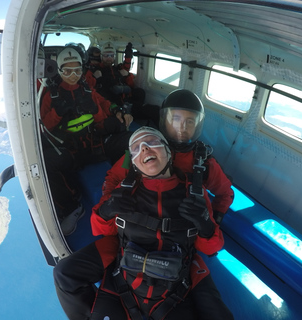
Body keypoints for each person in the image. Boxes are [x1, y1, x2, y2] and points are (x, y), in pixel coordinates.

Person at [53, 127, 234, 320]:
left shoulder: (195, 193)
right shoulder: (124, 190)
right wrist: (107, 209)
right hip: (125, 275)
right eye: (137, 148)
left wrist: (205, 225)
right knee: (64, 274)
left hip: (174, 284)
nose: (145, 149)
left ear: (168, 152)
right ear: (133, 164)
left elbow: (211, 248)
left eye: (152, 142)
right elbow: (99, 229)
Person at [102, 89, 234, 226]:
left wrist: (211, 221)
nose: (182, 127)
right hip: (140, 221)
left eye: (189, 121)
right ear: (164, 121)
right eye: (176, 119)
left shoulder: (203, 162)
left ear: (197, 125)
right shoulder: (139, 151)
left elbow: (225, 194)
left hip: (180, 229)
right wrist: (109, 207)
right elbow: (113, 178)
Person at [40, 44, 133, 235]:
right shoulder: (51, 94)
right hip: (71, 154)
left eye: (77, 70)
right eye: (67, 70)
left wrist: (117, 110)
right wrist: (58, 112)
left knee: (131, 142)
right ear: (59, 70)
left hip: (95, 145)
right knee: (46, 163)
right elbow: (44, 125)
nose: (73, 75)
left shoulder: (87, 90)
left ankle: (130, 184)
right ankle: (72, 207)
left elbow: (104, 103)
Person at [93, 42, 146, 119]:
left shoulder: (117, 69)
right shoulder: (97, 70)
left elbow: (130, 83)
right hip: (112, 103)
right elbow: (90, 88)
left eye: (111, 55)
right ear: (101, 56)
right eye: (106, 55)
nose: (109, 58)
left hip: (125, 99)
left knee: (140, 93)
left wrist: (127, 74)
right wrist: (95, 78)